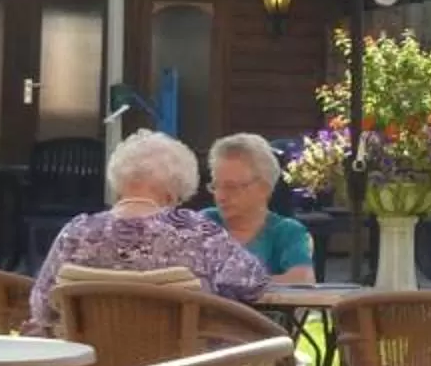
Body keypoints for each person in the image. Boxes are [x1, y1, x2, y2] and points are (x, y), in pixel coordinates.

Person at [27, 128, 266, 330]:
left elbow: (42, 308)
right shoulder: (199, 233)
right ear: (173, 192)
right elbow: (253, 283)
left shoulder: (76, 232)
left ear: (119, 183)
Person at [203, 132, 317, 285]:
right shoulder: (203, 223)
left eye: (231, 187)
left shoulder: (287, 232)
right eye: (216, 186)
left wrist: (235, 285)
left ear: (264, 188)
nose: (221, 196)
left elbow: (303, 280)